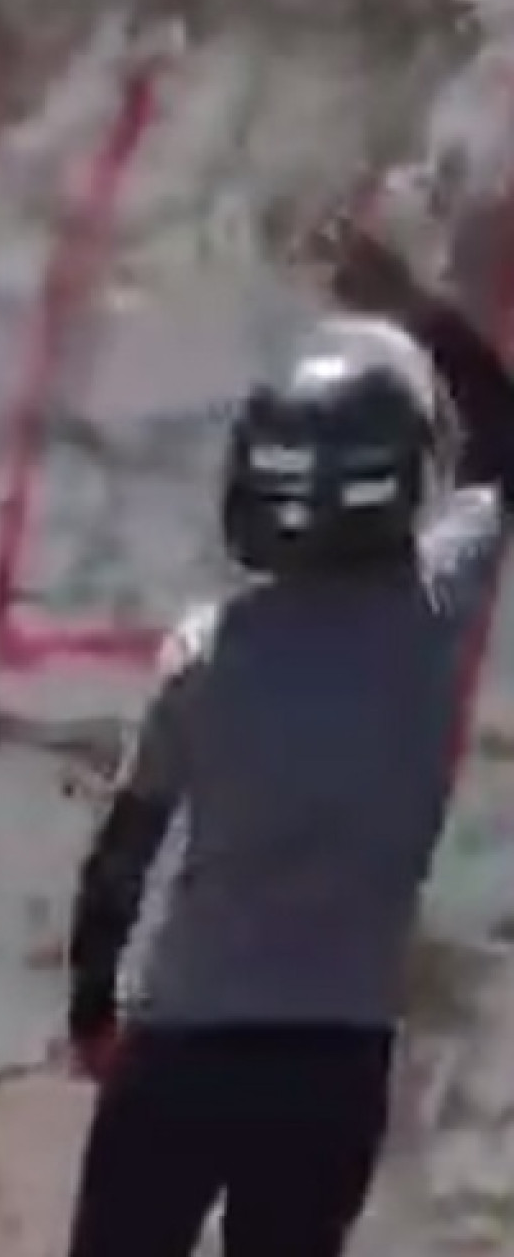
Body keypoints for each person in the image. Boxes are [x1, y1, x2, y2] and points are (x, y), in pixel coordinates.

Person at [60, 222, 514, 1257]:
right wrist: (414, 308)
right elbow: (506, 445)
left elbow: (124, 855)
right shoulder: (433, 610)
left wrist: (93, 1009)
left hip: (185, 1045)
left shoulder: (209, 654)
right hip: (332, 1058)